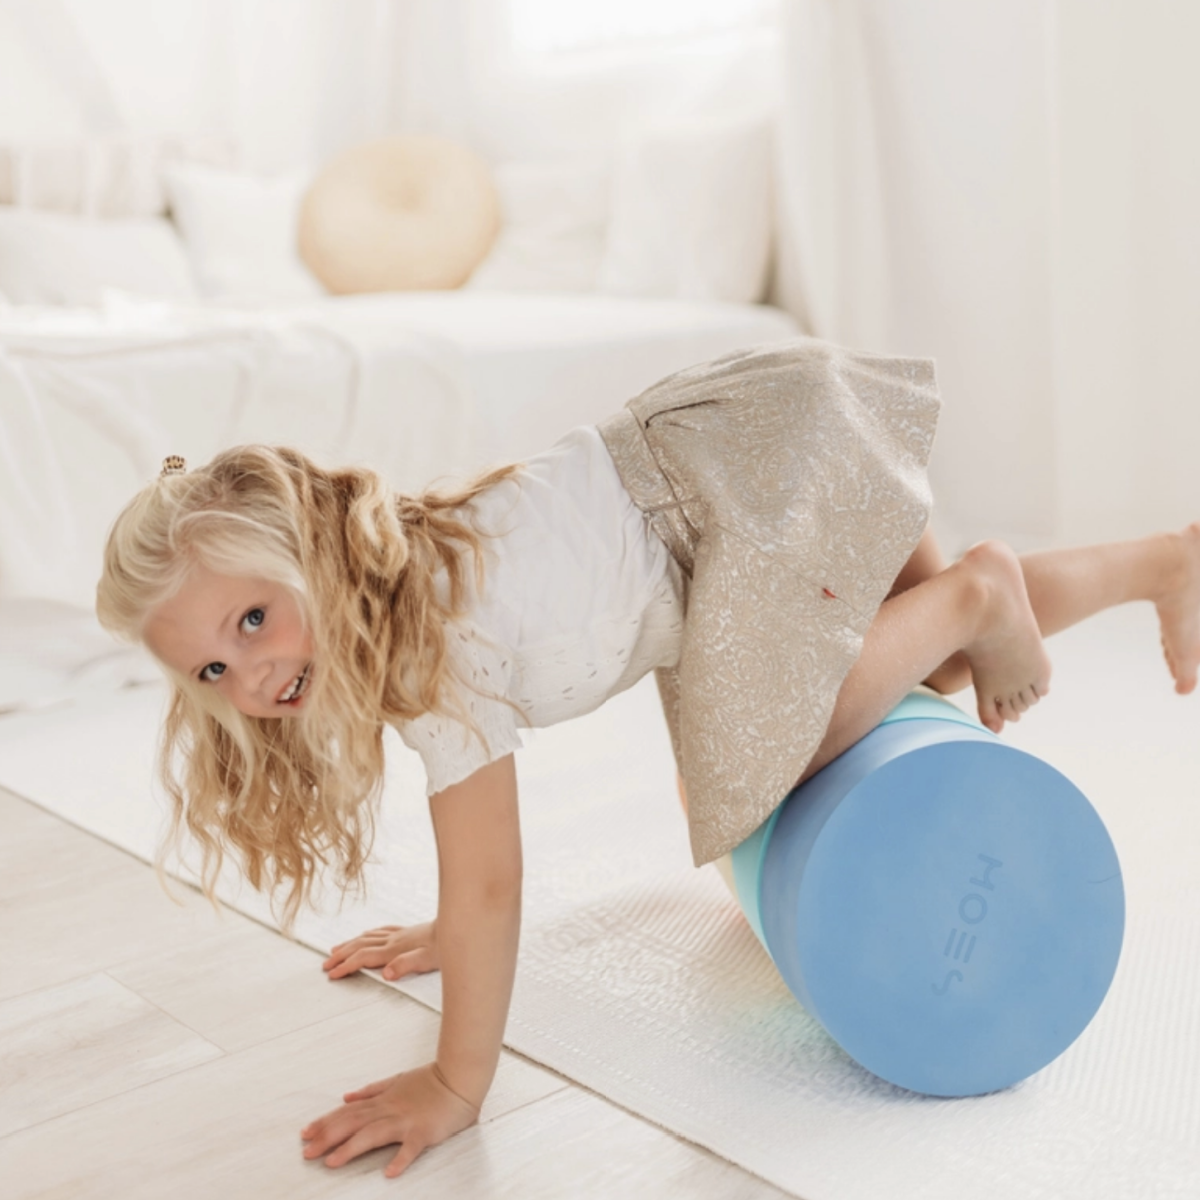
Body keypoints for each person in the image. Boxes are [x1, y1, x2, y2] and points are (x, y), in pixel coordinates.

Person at [95, 340, 1200, 1179]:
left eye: (253, 619)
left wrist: (455, 1083)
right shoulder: (404, 570)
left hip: (736, 492)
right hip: (747, 448)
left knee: (756, 766)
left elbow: (491, 878)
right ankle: (1162, 563)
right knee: (930, 667)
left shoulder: (430, 645)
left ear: (304, 552)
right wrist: (447, 930)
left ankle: (978, 590)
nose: (251, 676)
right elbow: (473, 876)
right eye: (212, 670)